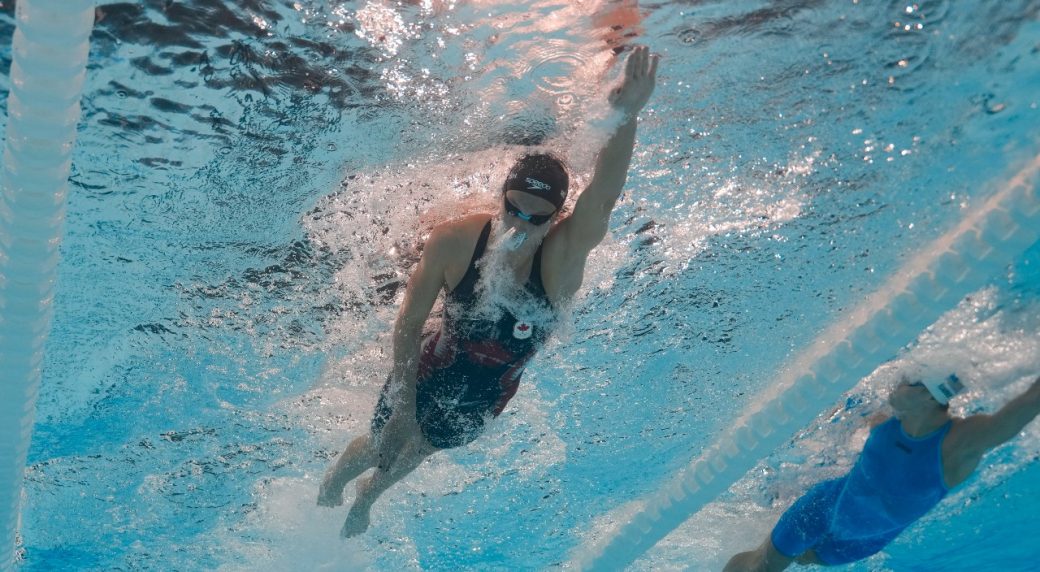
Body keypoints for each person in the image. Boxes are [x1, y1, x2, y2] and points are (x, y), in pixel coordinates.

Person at [317, 45, 660, 538]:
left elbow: (603, 196)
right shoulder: (457, 240)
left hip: (490, 387)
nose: (520, 225)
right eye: (512, 209)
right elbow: (410, 323)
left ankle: (370, 496)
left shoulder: (562, 258)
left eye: (534, 217)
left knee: (422, 449)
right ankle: (337, 480)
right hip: (430, 363)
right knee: (382, 442)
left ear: (556, 217)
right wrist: (405, 400)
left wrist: (626, 115)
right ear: (501, 198)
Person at [724, 369, 1040, 571]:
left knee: (804, 557)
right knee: (761, 565)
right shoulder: (889, 417)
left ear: (928, 396)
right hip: (821, 507)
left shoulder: (960, 443)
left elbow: (1029, 403)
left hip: (858, 542)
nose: (896, 382)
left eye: (907, 380)